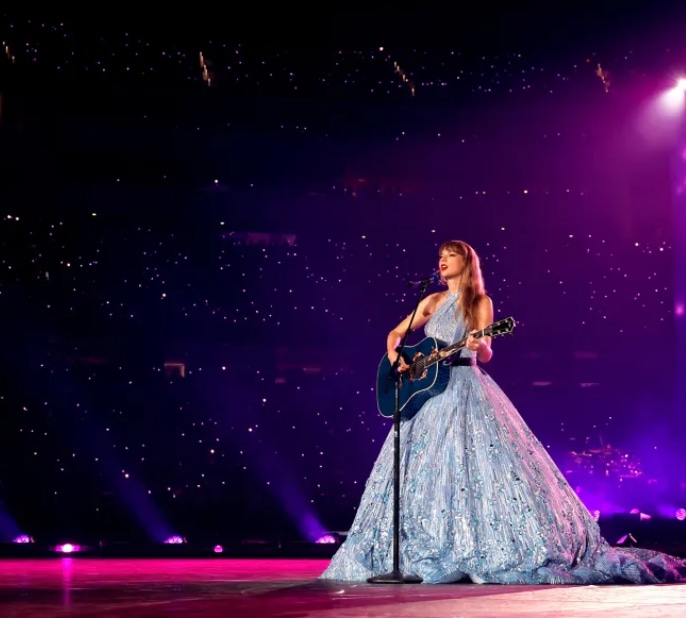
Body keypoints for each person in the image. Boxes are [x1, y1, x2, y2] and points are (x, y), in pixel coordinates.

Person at [320, 239, 686, 584]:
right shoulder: (430, 300)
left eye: (451, 255)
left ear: (467, 262)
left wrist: (479, 344)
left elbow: (487, 353)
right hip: (426, 395)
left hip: (464, 385)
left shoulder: (479, 302)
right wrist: (395, 356)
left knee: (476, 462)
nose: (442, 260)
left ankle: (474, 543)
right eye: (441, 255)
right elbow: (395, 334)